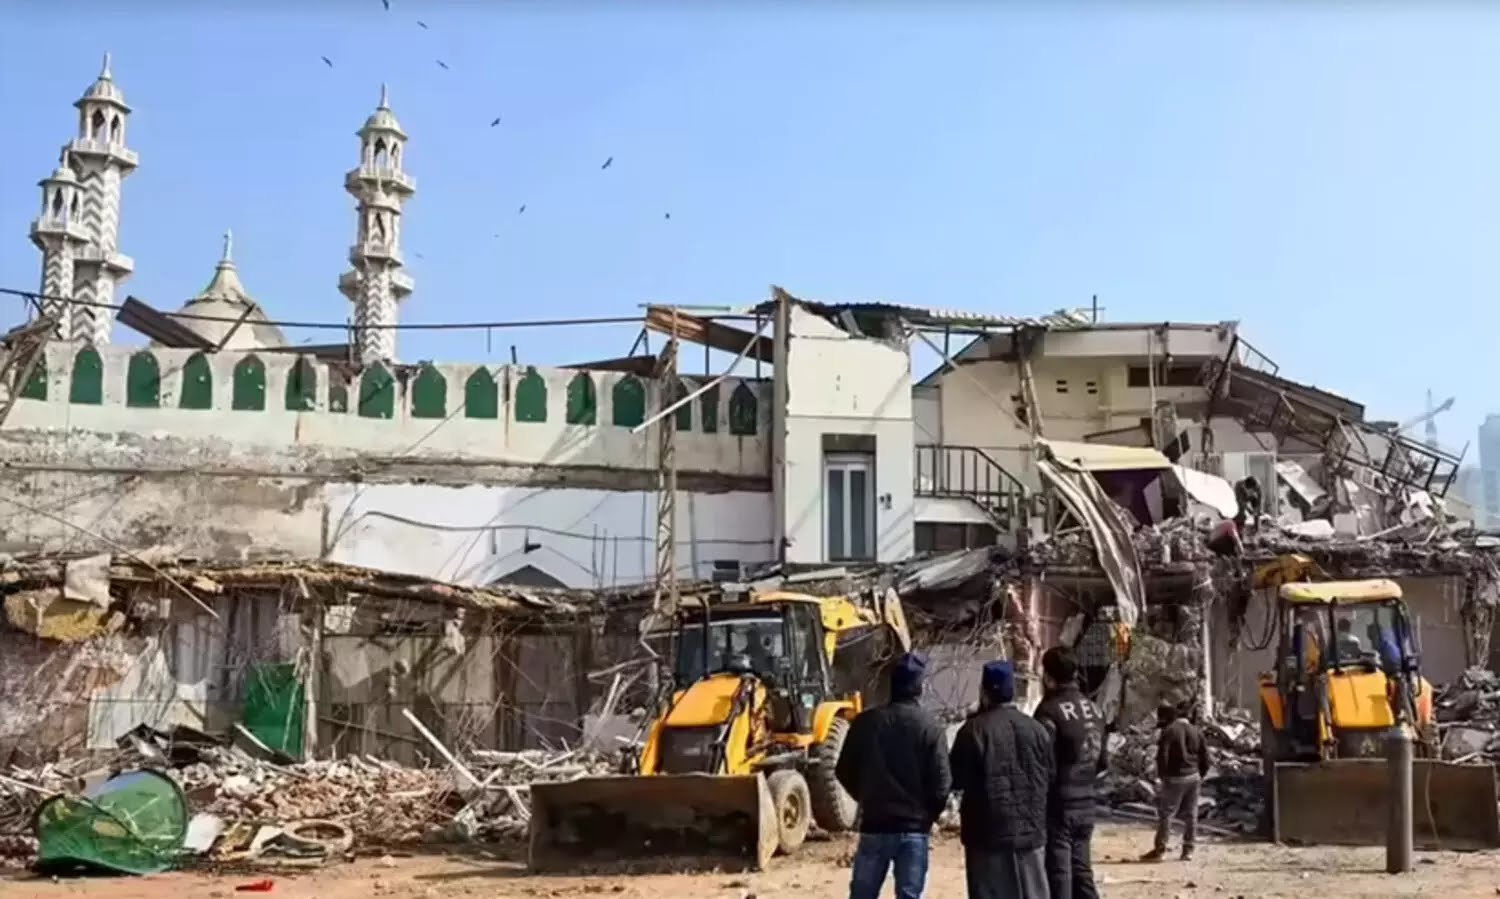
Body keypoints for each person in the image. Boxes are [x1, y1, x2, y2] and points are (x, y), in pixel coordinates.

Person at [836, 652, 951, 899]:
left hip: (875, 825)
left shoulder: (866, 723)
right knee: (910, 894)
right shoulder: (931, 727)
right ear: (920, 687)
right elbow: (942, 785)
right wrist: (927, 817)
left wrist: (866, 798)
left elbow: (843, 770)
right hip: (914, 828)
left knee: (863, 895)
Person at [950, 660, 1053, 899]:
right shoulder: (1037, 730)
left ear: (984, 692)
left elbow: (956, 778)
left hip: (987, 834)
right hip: (1030, 831)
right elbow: (1050, 774)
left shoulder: (973, 731)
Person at [1033, 646, 1106, 899]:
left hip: (1059, 805)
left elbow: (1042, 763)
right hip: (1087, 801)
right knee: (1082, 870)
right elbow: (1102, 762)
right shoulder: (1095, 710)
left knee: (1059, 873)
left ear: (1048, 676)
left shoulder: (1049, 711)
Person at [1141, 702, 1209, 862]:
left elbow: (1162, 755)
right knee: (1191, 815)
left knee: (1167, 814)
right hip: (1193, 776)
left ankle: (1160, 850)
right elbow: (1205, 756)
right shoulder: (1196, 731)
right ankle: (1188, 851)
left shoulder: (1170, 730)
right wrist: (1201, 774)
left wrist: (1161, 776)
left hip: (1175, 778)